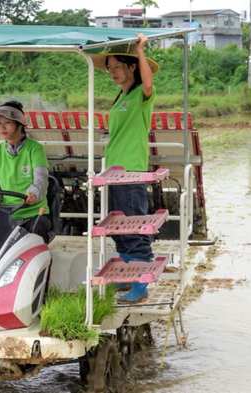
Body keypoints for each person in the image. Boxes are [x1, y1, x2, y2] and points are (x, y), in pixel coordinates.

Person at [91, 33, 160, 303]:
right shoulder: (120, 97)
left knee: (133, 228)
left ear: (132, 67)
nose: (112, 72)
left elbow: (148, 83)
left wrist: (140, 50)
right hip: (114, 173)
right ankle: (129, 276)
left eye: (118, 67)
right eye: (109, 68)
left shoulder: (142, 96)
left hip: (131, 172)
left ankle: (140, 286)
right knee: (118, 228)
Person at [0, 101, 52, 243]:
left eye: (7, 122)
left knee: (37, 234)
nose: (2, 127)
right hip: (6, 214)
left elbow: (41, 178)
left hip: (34, 213)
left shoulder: (35, 148)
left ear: (19, 124)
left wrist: (33, 194)